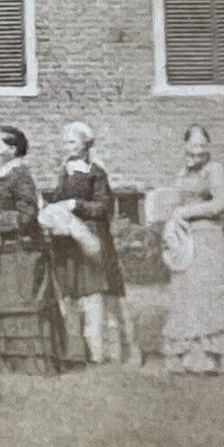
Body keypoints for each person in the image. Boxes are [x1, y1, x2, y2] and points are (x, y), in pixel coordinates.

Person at [158, 125, 224, 376]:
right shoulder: (182, 173)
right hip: (187, 239)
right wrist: (173, 221)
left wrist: (186, 212)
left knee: (213, 293)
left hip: (210, 238)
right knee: (189, 295)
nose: (198, 150)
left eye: (203, 145)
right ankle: (196, 353)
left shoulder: (215, 170)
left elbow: (220, 203)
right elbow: (177, 203)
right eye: (194, 145)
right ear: (185, 146)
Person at [43, 121, 138, 366]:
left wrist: (78, 205)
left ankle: (101, 351)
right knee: (72, 293)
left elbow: (104, 207)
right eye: (65, 142)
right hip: (68, 239)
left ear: (85, 144)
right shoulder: (65, 170)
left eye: (72, 142)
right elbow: (60, 199)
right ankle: (76, 350)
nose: (68, 147)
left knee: (94, 292)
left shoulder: (96, 172)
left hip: (92, 237)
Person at [0, 125, 62, 374]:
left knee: (20, 302)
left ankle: (27, 364)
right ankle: (5, 362)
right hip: (7, 249)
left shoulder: (21, 175)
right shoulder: (5, 173)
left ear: (12, 149)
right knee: (3, 301)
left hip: (22, 251)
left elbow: (28, 215)